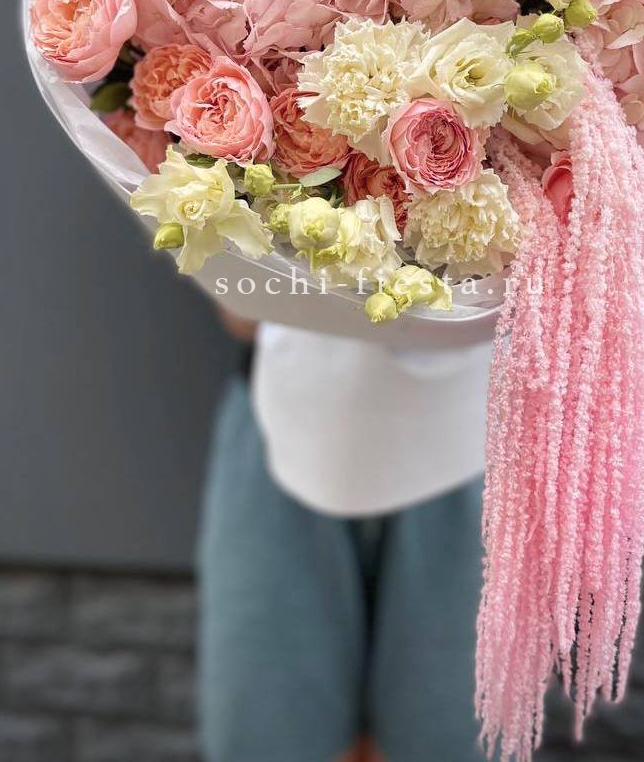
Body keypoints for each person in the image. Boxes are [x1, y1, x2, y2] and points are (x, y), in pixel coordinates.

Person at [197, 307, 493, 762]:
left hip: (476, 431)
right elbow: (241, 314)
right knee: (269, 725)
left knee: (449, 732)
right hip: (285, 417)